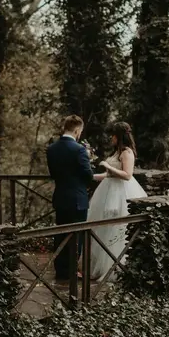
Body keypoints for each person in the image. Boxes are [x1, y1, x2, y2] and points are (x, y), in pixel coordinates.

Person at [86, 120, 147, 281]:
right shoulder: (116, 152)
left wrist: (108, 166)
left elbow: (127, 175)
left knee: (116, 228)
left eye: (113, 135)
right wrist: (91, 176)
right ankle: (100, 267)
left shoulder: (127, 152)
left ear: (119, 136)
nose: (111, 138)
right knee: (104, 229)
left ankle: (115, 270)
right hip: (107, 191)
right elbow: (109, 175)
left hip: (120, 193)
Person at [45, 114, 95, 281]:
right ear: (77, 130)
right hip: (77, 199)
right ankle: (72, 271)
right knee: (76, 236)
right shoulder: (79, 150)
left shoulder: (51, 149)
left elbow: (53, 174)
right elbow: (88, 175)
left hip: (60, 197)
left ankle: (61, 270)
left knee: (60, 235)